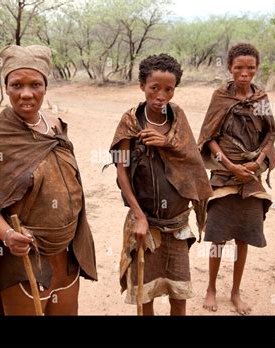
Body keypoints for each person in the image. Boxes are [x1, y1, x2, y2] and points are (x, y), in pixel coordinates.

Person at [0, 44, 97, 315]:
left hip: (66, 257)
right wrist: (9, 235)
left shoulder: (55, 126)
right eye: (16, 85)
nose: (26, 94)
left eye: (35, 84)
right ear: (6, 88)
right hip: (23, 262)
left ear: (45, 86)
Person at [109, 53, 213, 315]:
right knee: (146, 296)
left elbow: (192, 160)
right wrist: (139, 216)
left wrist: (167, 143)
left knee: (179, 295)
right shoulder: (130, 122)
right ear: (142, 85)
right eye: (154, 88)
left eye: (169, 89)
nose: (161, 96)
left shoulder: (178, 118)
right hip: (146, 225)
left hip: (177, 225)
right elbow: (122, 170)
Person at [198, 43, 275, 315]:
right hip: (224, 174)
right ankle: (211, 287)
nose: (245, 73)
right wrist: (231, 165)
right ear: (230, 67)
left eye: (251, 68)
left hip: (251, 176)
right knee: (217, 237)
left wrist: (257, 162)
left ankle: (235, 292)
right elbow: (208, 137)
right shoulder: (220, 96)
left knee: (244, 236)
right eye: (239, 68)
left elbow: (270, 134)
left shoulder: (261, 99)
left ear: (257, 69)